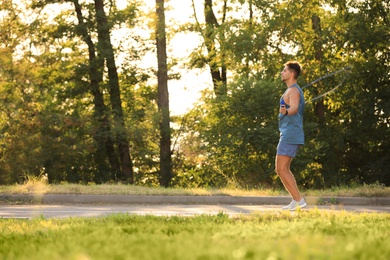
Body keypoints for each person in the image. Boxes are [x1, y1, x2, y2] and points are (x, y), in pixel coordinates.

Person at [276, 61, 307, 211]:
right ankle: (295, 201)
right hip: (289, 133)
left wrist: (286, 112)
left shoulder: (294, 90)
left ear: (292, 74)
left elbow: (294, 108)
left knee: (281, 169)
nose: (282, 72)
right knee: (284, 169)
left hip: (291, 134)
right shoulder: (290, 90)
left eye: (284, 70)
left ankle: (300, 201)